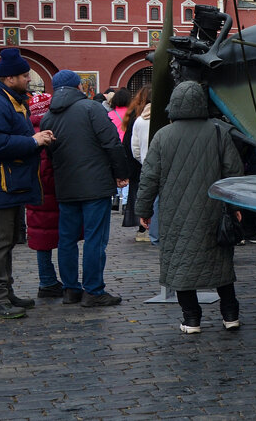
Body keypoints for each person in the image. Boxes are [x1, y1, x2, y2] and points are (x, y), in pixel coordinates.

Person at [137, 81, 244, 333]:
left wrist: (144, 210)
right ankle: (230, 316)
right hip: (214, 211)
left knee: (181, 266)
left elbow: (149, 177)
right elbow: (234, 172)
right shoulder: (219, 131)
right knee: (221, 266)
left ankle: (191, 319)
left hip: (176, 215)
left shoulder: (163, 136)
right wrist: (236, 206)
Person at [39, 70, 128, 307]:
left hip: (65, 186)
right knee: (94, 239)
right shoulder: (91, 109)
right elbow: (111, 142)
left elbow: (49, 153)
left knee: (67, 239)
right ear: (78, 87)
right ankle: (93, 291)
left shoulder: (48, 117)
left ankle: (71, 289)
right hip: (95, 185)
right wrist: (121, 173)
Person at [0, 48, 53, 319]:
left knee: (7, 241)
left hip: (9, 183)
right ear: (9, 78)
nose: (28, 79)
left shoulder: (10, 99)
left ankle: (4, 291)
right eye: (25, 75)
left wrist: (36, 138)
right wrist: (32, 141)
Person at [25, 89, 63, 298]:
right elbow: (47, 168)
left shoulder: (27, 130)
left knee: (42, 240)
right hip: (51, 194)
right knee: (61, 238)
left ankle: (46, 279)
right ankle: (51, 282)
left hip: (35, 195)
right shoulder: (48, 133)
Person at [124, 87, 152, 242]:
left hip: (140, 164)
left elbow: (132, 145)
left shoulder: (138, 119)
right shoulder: (165, 117)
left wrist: (141, 160)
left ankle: (142, 228)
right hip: (158, 164)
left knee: (142, 194)